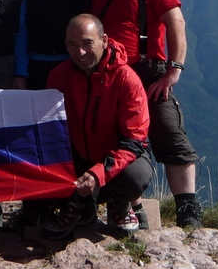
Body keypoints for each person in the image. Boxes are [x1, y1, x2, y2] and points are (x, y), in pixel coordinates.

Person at [87, 0, 203, 229]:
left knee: (168, 132)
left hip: (149, 72)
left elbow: (175, 21)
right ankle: (129, 205)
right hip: (109, 75)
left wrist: (174, 70)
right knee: (116, 142)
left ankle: (188, 211)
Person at [42, 14, 153, 239]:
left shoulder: (126, 80)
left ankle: (120, 204)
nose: (80, 52)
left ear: (104, 41)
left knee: (135, 176)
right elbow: (50, 130)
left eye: (87, 43)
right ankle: (78, 207)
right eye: (73, 45)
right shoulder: (59, 76)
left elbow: (133, 141)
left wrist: (99, 173)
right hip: (79, 157)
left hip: (116, 159)